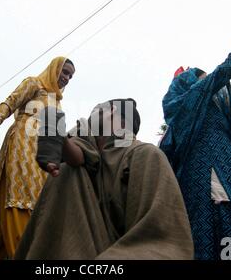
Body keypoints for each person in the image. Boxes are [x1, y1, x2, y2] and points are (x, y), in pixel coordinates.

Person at [14, 99, 193, 259]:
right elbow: (76, 156)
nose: (90, 115)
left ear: (113, 110)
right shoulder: (82, 156)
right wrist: (55, 135)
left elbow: (162, 239)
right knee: (68, 171)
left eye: (96, 109)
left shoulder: (145, 155)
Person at [159, 13, 231, 259]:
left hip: (226, 169)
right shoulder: (194, 98)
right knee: (221, 226)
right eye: (203, 79)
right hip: (209, 172)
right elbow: (230, 65)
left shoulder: (207, 110)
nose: (214, 85)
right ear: (190, 85)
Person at [0, 56, 75, 260]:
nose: (67, 78)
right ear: (54, 68)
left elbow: (57, 137)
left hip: (43, 163)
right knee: (19, 206)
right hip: (21, 150)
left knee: (12, 220)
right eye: (64, 72)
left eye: (70, 76)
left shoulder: (57, 104)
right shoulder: (34, 83)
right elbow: (9, 104)